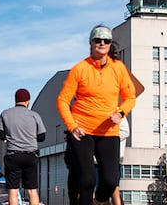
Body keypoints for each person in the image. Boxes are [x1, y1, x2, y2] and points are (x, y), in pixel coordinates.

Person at [56, 25, 136, 205]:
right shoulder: (80, 69)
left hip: (108, 132)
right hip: (82, 130)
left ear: (109, 44)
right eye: (97, 39)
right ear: (91, 43)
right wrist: (72, 126)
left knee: (110, 181)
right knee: (87, 179)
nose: (101, 43)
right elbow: (62, 100)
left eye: (106, 40)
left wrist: (121, 113)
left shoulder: (118, 68)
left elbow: (130, 97)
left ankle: (99, 201)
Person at [0, 89, 45, 205]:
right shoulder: (34, 115)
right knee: (32, 189)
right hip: (30, 155)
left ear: (15, 100)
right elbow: (42, 136)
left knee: (13, 190)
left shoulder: (5, 114)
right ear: (27, 101)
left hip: (13, 155)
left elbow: (0, 135)